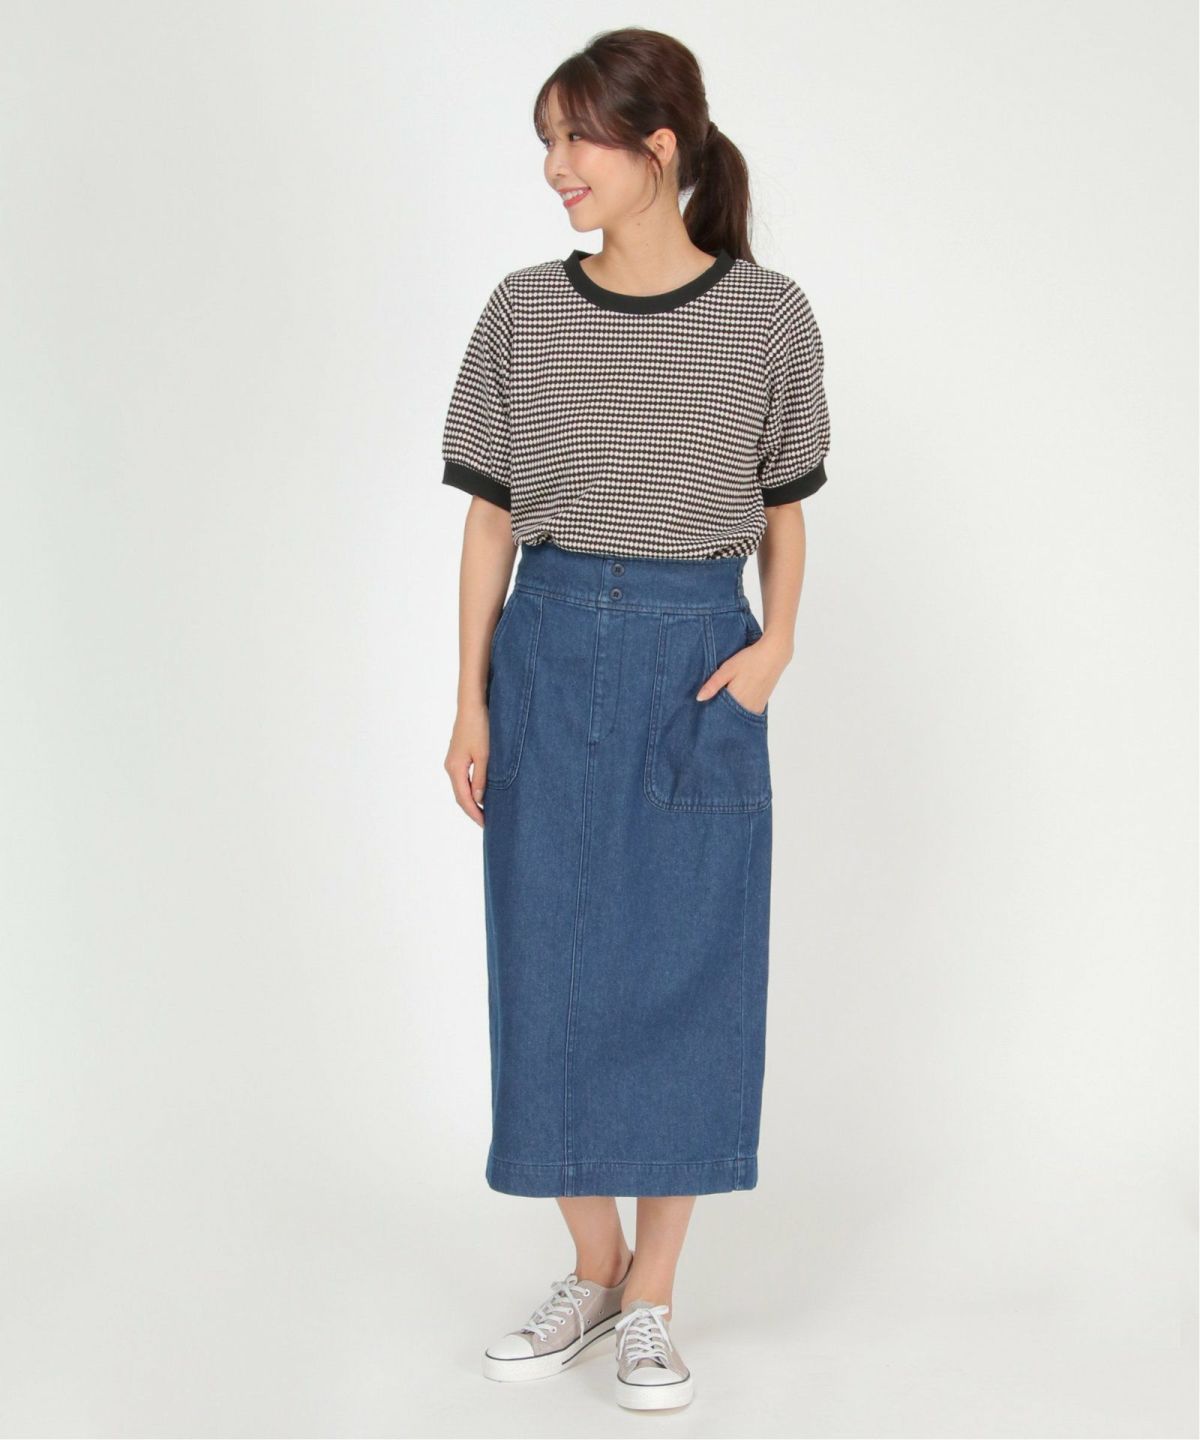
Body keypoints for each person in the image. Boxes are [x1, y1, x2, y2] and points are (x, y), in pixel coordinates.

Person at [440, 26, 831, 1414]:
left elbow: (784, 512)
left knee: (687, 969)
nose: (555, 168)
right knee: (544, 965)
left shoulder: (769, 315)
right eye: (546, 143)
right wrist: (469, 695)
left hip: (696, 662)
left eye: (577, 139)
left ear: (659, 147)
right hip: (547, 654)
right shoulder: (521, 312)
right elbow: (491, 520)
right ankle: (593, 1267)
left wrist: (775, 648)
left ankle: (653, 1295)